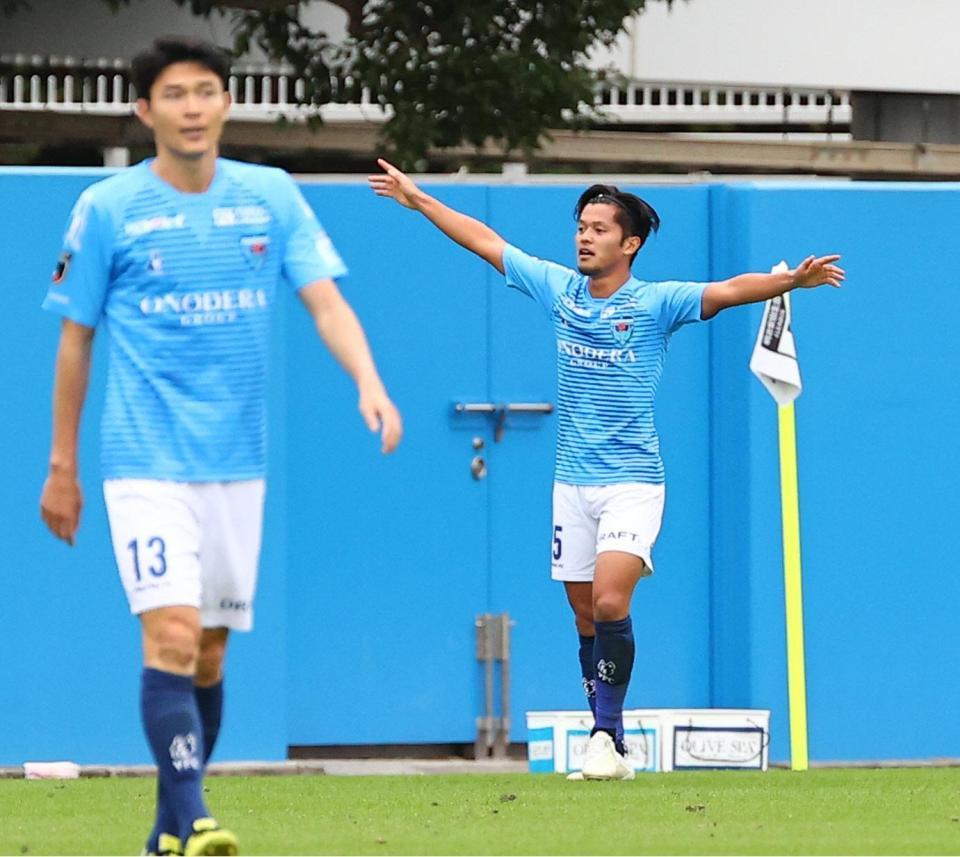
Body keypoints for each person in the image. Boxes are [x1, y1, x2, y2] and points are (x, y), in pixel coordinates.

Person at [39, 37, 402, 856]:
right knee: (168, 634)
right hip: (143, 460)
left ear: (226, 103)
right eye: (175, 94)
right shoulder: (108, 207)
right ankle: (198, 815)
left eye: (207, 91)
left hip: (239, 463)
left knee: (207, 650)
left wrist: (368, 382)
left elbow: (326, 303)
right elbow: (74, 340)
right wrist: (62, 466)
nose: (193, 107)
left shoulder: (269, 196)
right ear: (145, 110)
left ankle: (165, 831)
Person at [369, 159, 841, 781]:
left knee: (612, 598)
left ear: (630, 243)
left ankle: (602, 735)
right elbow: (487, 242)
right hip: (572, 485)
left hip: (633, 483)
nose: (583, 237)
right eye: (581, 227)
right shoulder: (560, 290)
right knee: (586, 615)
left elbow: (727, 290)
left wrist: (790, 285)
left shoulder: (656, 302)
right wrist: (419, 199)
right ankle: (613, 748)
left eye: (598, 228)